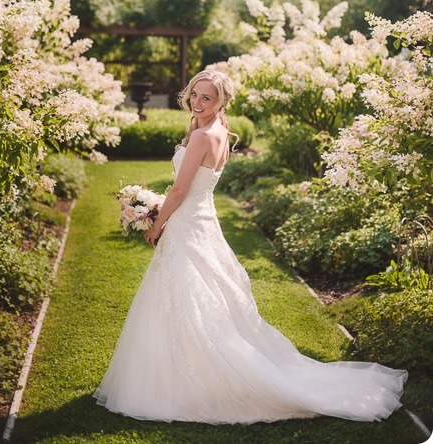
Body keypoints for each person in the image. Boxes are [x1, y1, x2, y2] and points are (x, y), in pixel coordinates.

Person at [93, 70, 408, 424]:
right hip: (202, 220)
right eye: (194, 94)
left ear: (222, 101)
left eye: (206, 98)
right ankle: (184, 369)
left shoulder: (201, 135)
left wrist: (157, 223)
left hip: (187, 222)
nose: (197, 102)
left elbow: (180, 191)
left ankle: (191, 379)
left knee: (187, 296)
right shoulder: (221, 132)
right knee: (196, 297)